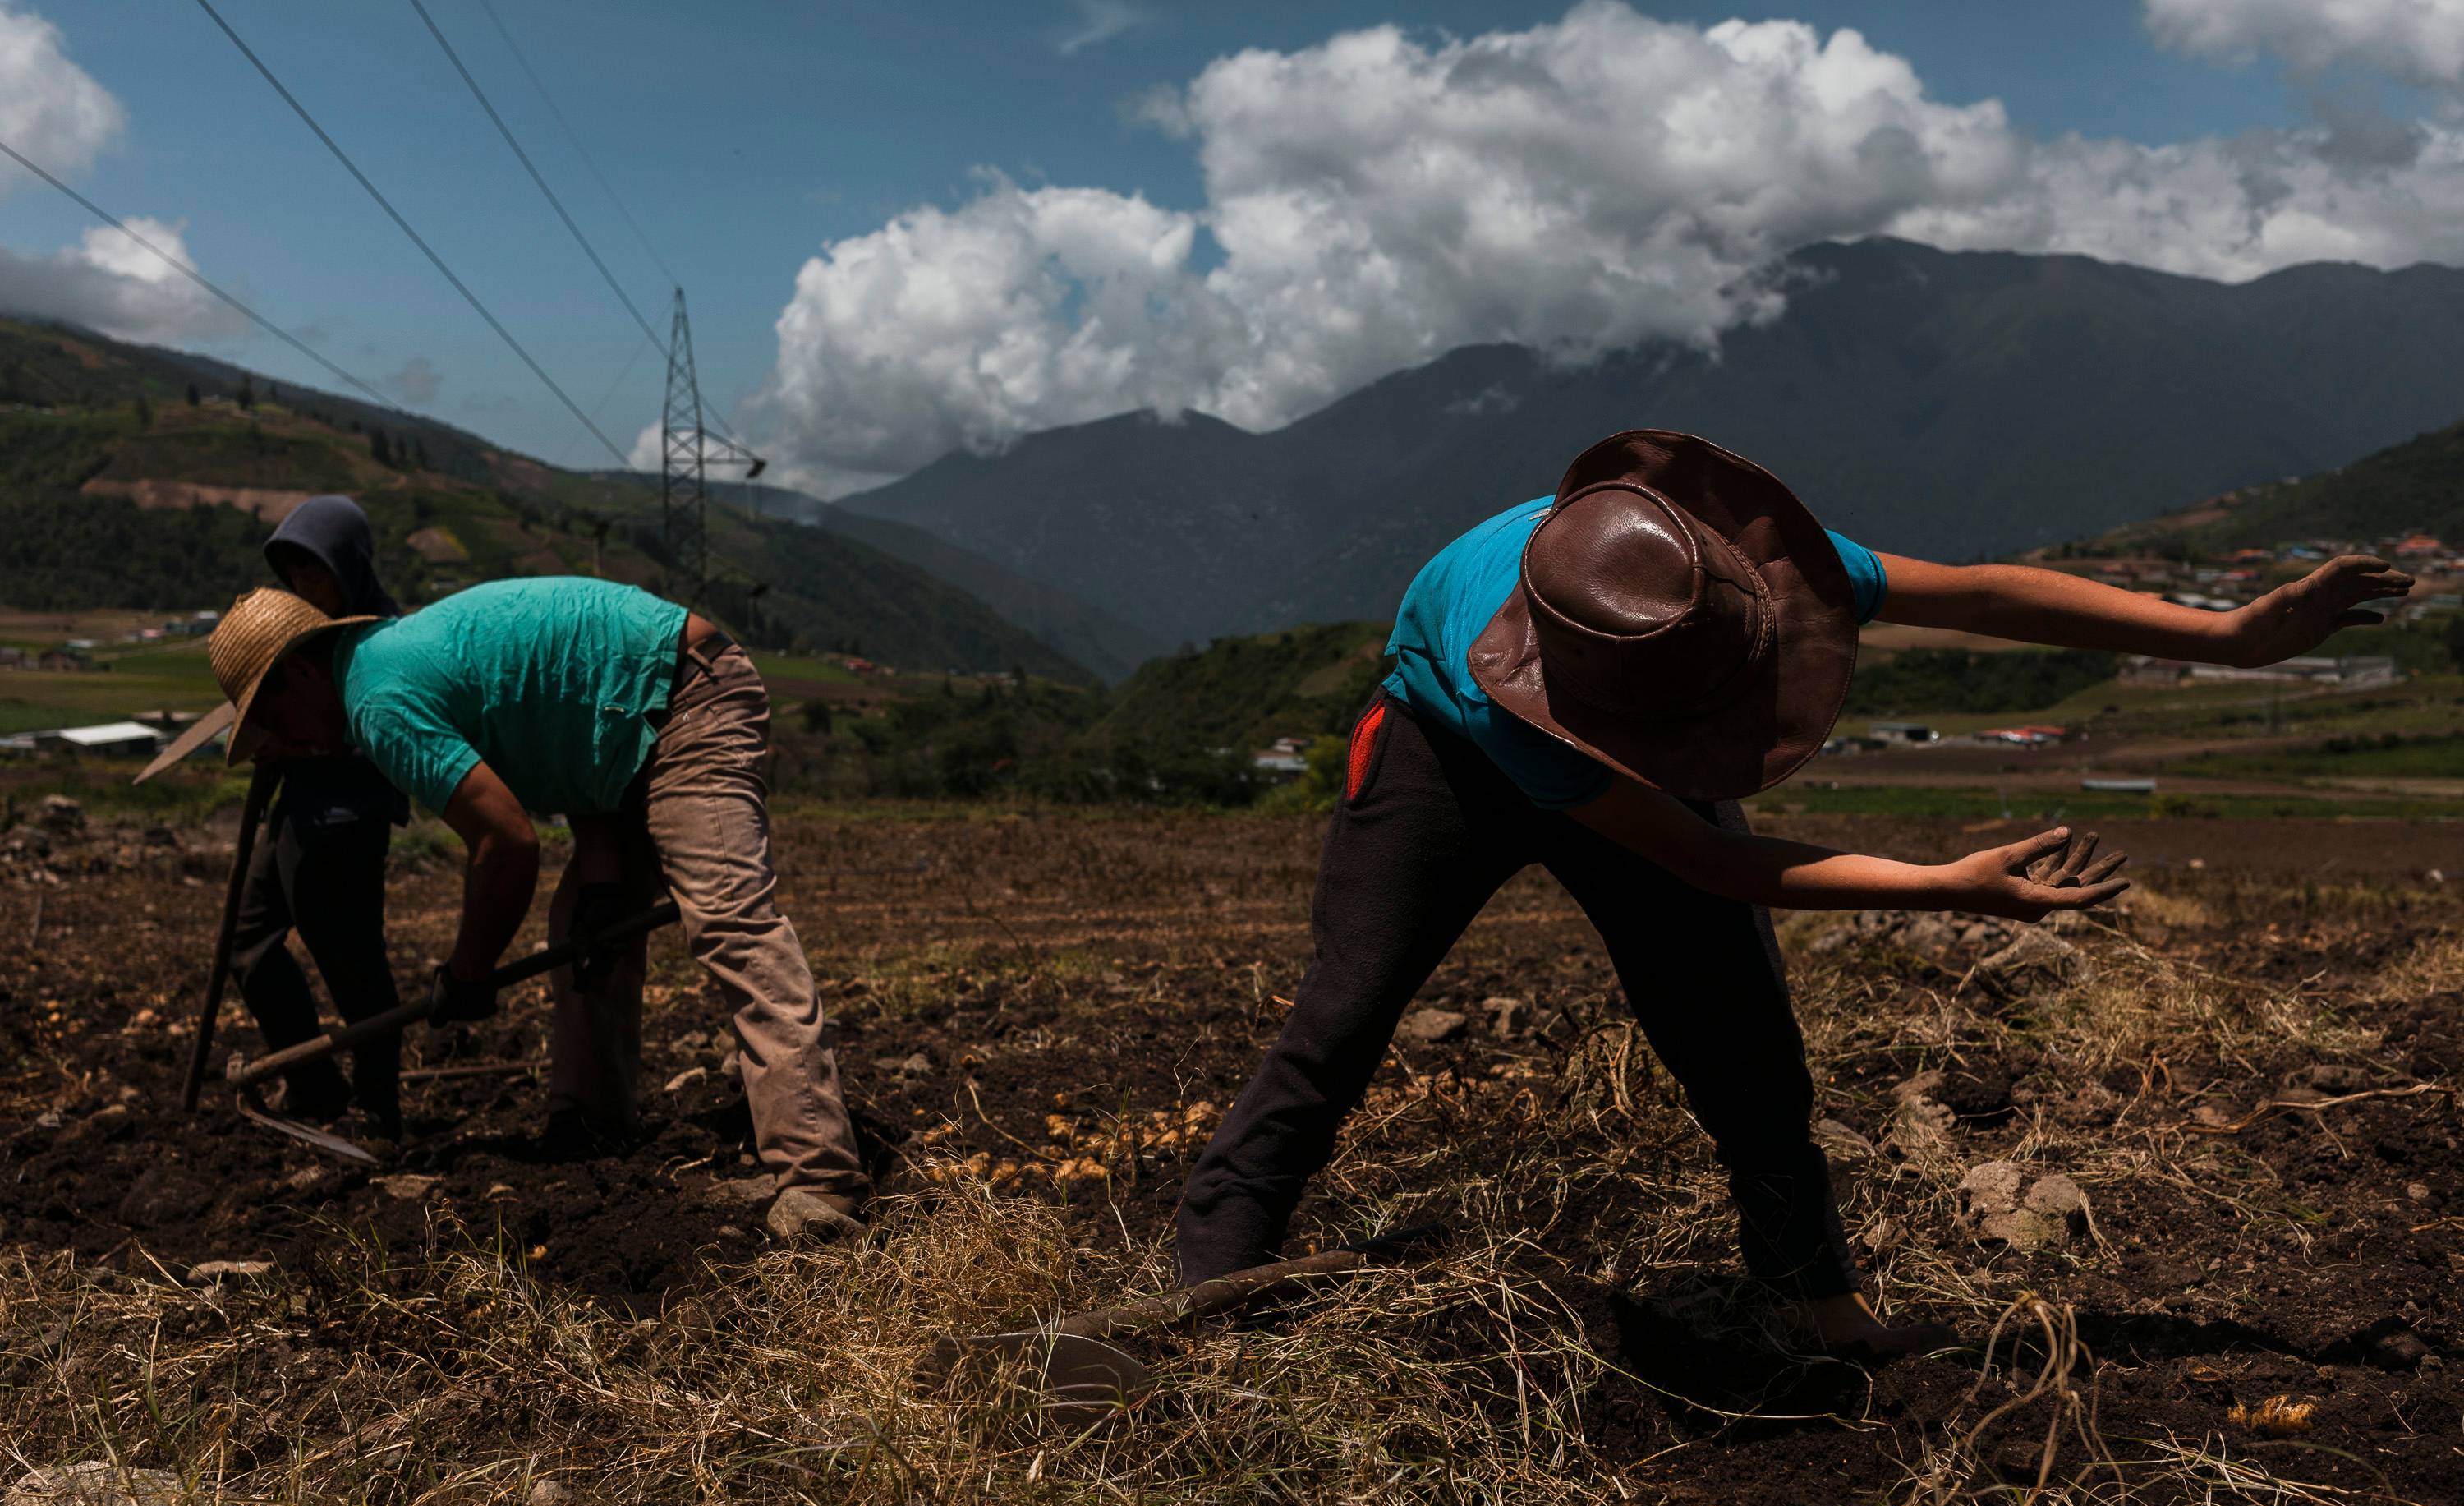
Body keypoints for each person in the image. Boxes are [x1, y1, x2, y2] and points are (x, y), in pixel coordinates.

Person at [1172, 430, 2412, 1355]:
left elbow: (1982, 592)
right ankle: (1208, 1290)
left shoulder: (1714, 575)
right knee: (1346, 1010)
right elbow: (1712, 860)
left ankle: (1813, 1299)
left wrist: (2229, 634)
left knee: (1739, 1029)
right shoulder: (1526, 709)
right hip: (1443, 755)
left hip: (1620, 729)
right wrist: (1942, 886)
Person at [205, 575, 869, 1243]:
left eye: (273, 719)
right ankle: (591, 1124)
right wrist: (603, 877)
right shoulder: (382, 660)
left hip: (684, 695)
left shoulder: (377, 702)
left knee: (730, 920)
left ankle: (819, 1174)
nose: (285, 741)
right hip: (629, 725)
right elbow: (568, 724)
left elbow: (506, 844)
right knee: (584, 928)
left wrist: (468, 971)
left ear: (300, 674)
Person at [231, 496, 410, 1140]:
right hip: (296, 808)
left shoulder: (385, 639)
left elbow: (395, 738)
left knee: (352, 963)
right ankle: (314, 1083)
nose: (304, 587)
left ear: (349, 565)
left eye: (316, 573)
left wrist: (311, 747)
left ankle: (377, 1105)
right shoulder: (301, 630)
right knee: (247, 943)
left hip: (348, 820)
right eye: (295, 576)